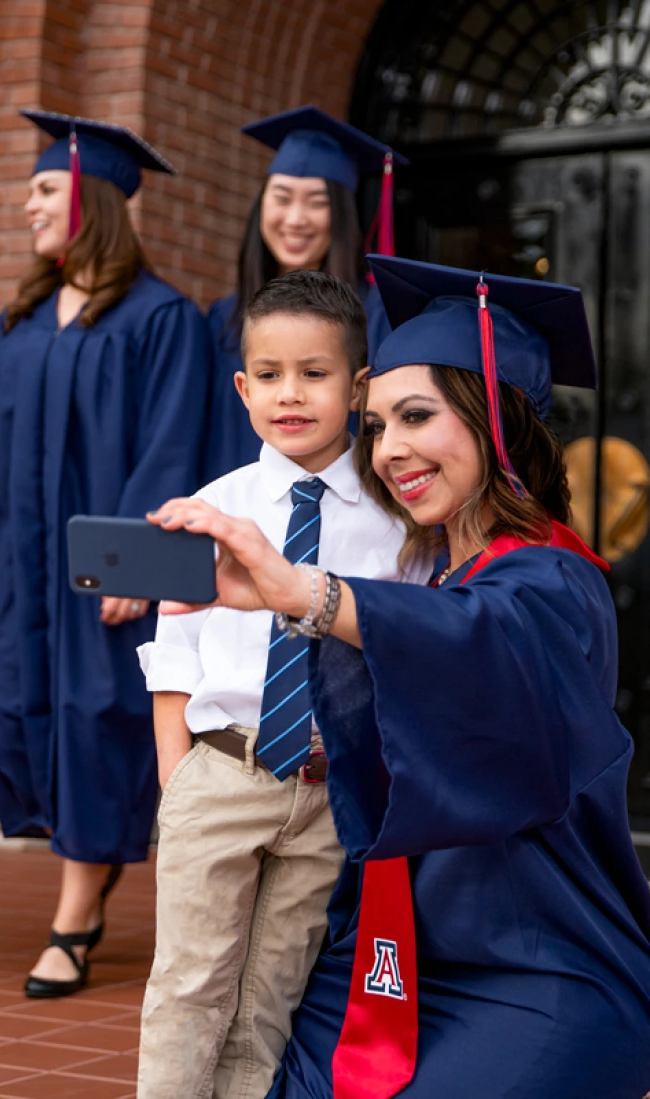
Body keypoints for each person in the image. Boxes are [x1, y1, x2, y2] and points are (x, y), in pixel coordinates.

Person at [150, 256, 650, 1098]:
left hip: (531, 962)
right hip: (392, 951)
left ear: (497, 419)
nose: (390, 449)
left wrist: (303, 592)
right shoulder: (432, 569)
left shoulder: (553, 579)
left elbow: (474, 640)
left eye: (416, 417)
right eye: (377, 425)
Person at [0, 110, 211, 998]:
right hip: (15, 562)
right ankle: (89, 865)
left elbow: (173, 445)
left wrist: (135, 560)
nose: (27, 205)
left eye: (43, 189)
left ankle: (74, 917)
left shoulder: (161, 318)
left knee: (97, 718)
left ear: (90, 200)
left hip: (101, 573)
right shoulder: (18, 319)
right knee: (10, 699)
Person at [136, 271, 423, 1099]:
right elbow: (176, 650)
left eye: (315, 372)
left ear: (358, 384)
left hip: (331, 790)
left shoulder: (395, 518)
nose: (289, 394)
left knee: (270, 992)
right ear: (242, 385)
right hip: (225, 770)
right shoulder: (215, 505)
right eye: (269, 375)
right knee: (190, 981)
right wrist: (175, 773)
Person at [205, 107, 406, 483]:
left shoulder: (379, 314)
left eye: (317, 202)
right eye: (282, 198)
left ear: (342, 215)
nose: (295, 218)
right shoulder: (223, 318)